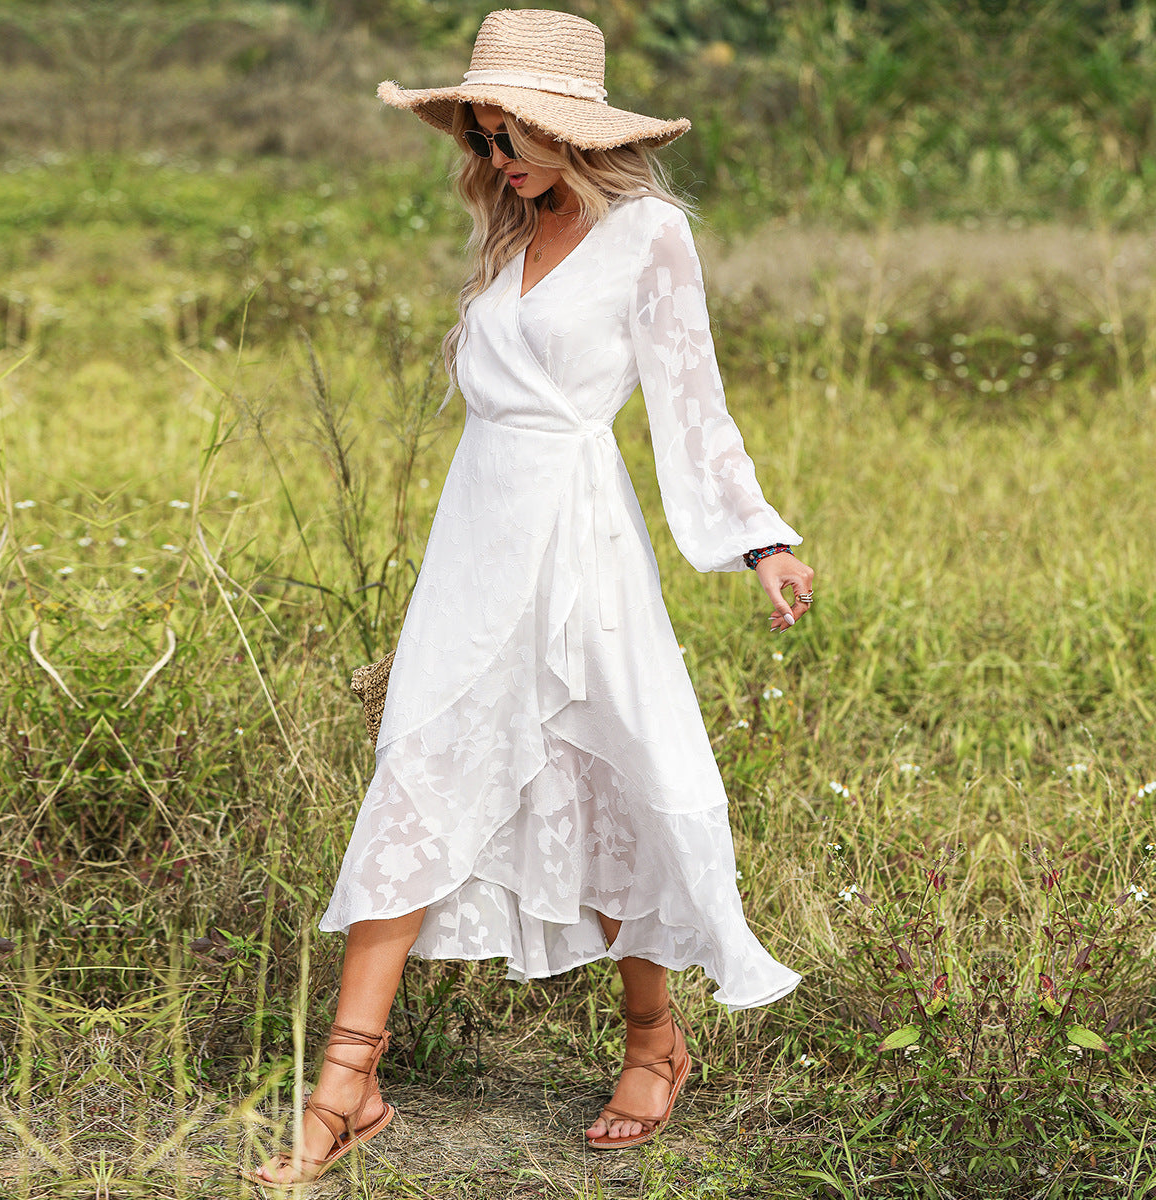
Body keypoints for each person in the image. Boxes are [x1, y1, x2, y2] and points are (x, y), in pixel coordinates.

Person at [244, 8, 814, 1186]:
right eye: (485, 131)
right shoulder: (508, 238)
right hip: (477, 537)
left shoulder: (649, 233)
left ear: (575, 128)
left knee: (608, 774)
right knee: (419, 765)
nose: (497, 153)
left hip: (578, 535)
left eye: (516, 131)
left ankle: (655, 1042)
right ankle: (347, 1083)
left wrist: (759, 540)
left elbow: (688, 400)